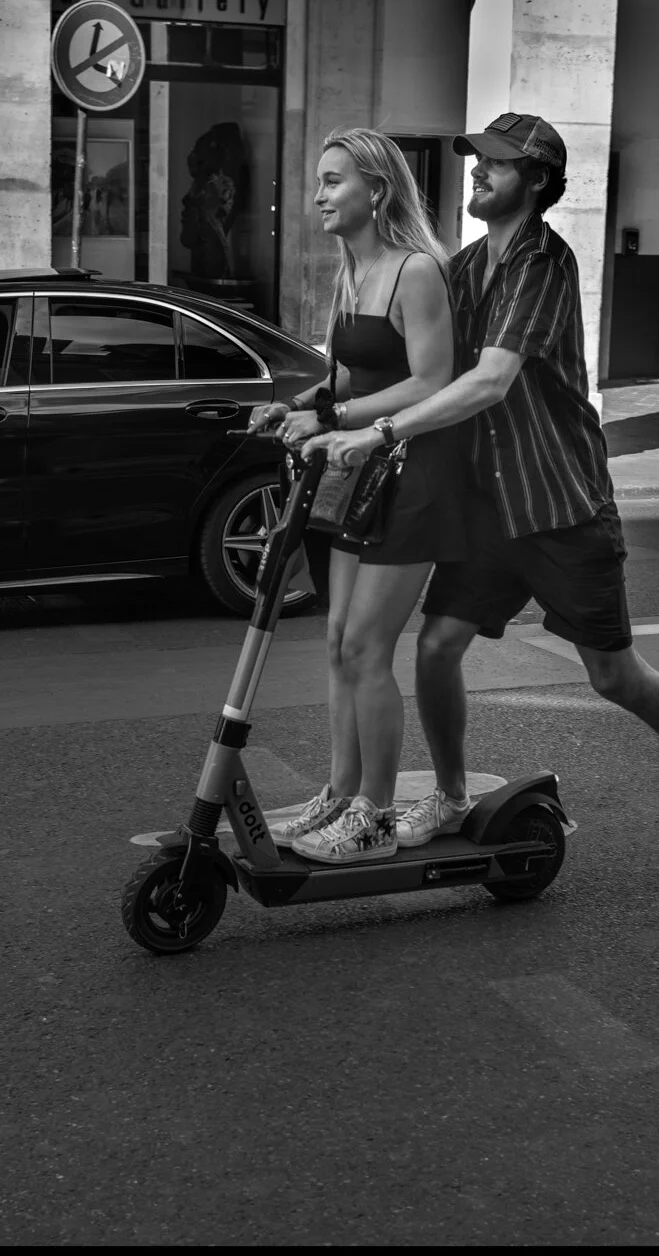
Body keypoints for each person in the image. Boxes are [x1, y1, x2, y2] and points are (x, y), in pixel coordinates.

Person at [305, 113, 659, 871]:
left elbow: (489, 380)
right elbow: (419, 363)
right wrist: (321, 407)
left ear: (537, 179)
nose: (477, 171)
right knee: (437, 647)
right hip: (487, 504)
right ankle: (452, 795)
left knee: (613, 674)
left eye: (495, 163)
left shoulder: (541, 263)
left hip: (557, 502)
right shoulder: (463, 267)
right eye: (476, 159)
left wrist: (380, 432)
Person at [245, 126, 458, 866]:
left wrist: (332, 417)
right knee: (337, 641)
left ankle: (374, 814)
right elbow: (348, 375)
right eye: (319, 181)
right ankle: (339, 794)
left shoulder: (415, 271)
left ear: (378, 188)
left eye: (334, 180)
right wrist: (297, 404)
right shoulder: (351, 271)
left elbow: (431, 381)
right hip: (356, 475)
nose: (319, 195)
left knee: (367, 647)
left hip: (412, 477)